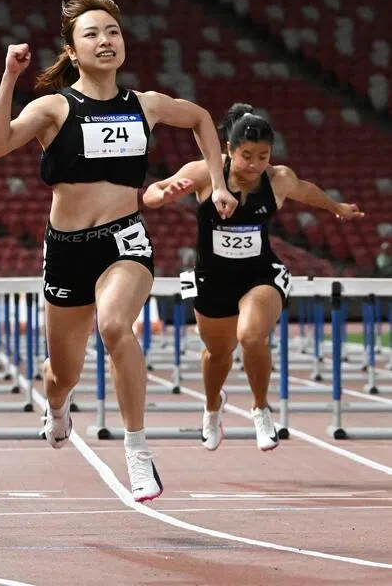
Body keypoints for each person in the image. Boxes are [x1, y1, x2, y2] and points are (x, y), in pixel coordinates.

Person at [0, 0, 236, 503]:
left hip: (124, 238)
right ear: (73, 52)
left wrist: (220, 183)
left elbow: (204, 118)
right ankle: (57, 408)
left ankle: (137, 453)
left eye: (113, 32)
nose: (105, 41)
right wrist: (10, 76)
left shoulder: (145, 105)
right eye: (92, 34)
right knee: (62, 373)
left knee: (116, 325)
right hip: (67, 248)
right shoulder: (54, 106)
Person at [143, 103, 363, 451]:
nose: (255, 164)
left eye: (263, 156)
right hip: (212, 279)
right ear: (229, 150)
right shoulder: (204, 174)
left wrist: (337, 208)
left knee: (251, 336)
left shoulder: (278, 179)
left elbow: (306, 190)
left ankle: (260, 408)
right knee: (218, 353)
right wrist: (163, 195)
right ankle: (213, 407)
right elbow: (151, 193)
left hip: (259, 274)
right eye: (247, 155)